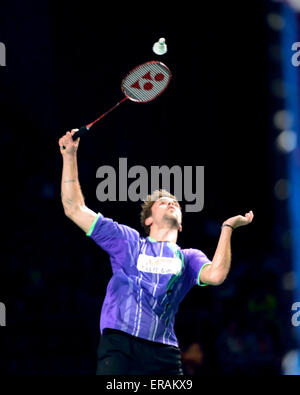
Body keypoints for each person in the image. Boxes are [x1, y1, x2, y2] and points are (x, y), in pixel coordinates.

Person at [58, 129, 254, 375]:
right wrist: (70, 156)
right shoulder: (128, 242)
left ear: (181, 224)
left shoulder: (189, 258)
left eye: (175, 203)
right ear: (148, 220)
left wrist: (227, 228)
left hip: (164, 353)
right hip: (120, 345)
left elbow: (216, 275)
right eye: (163, 202)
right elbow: (74, 208)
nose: (172, 203)